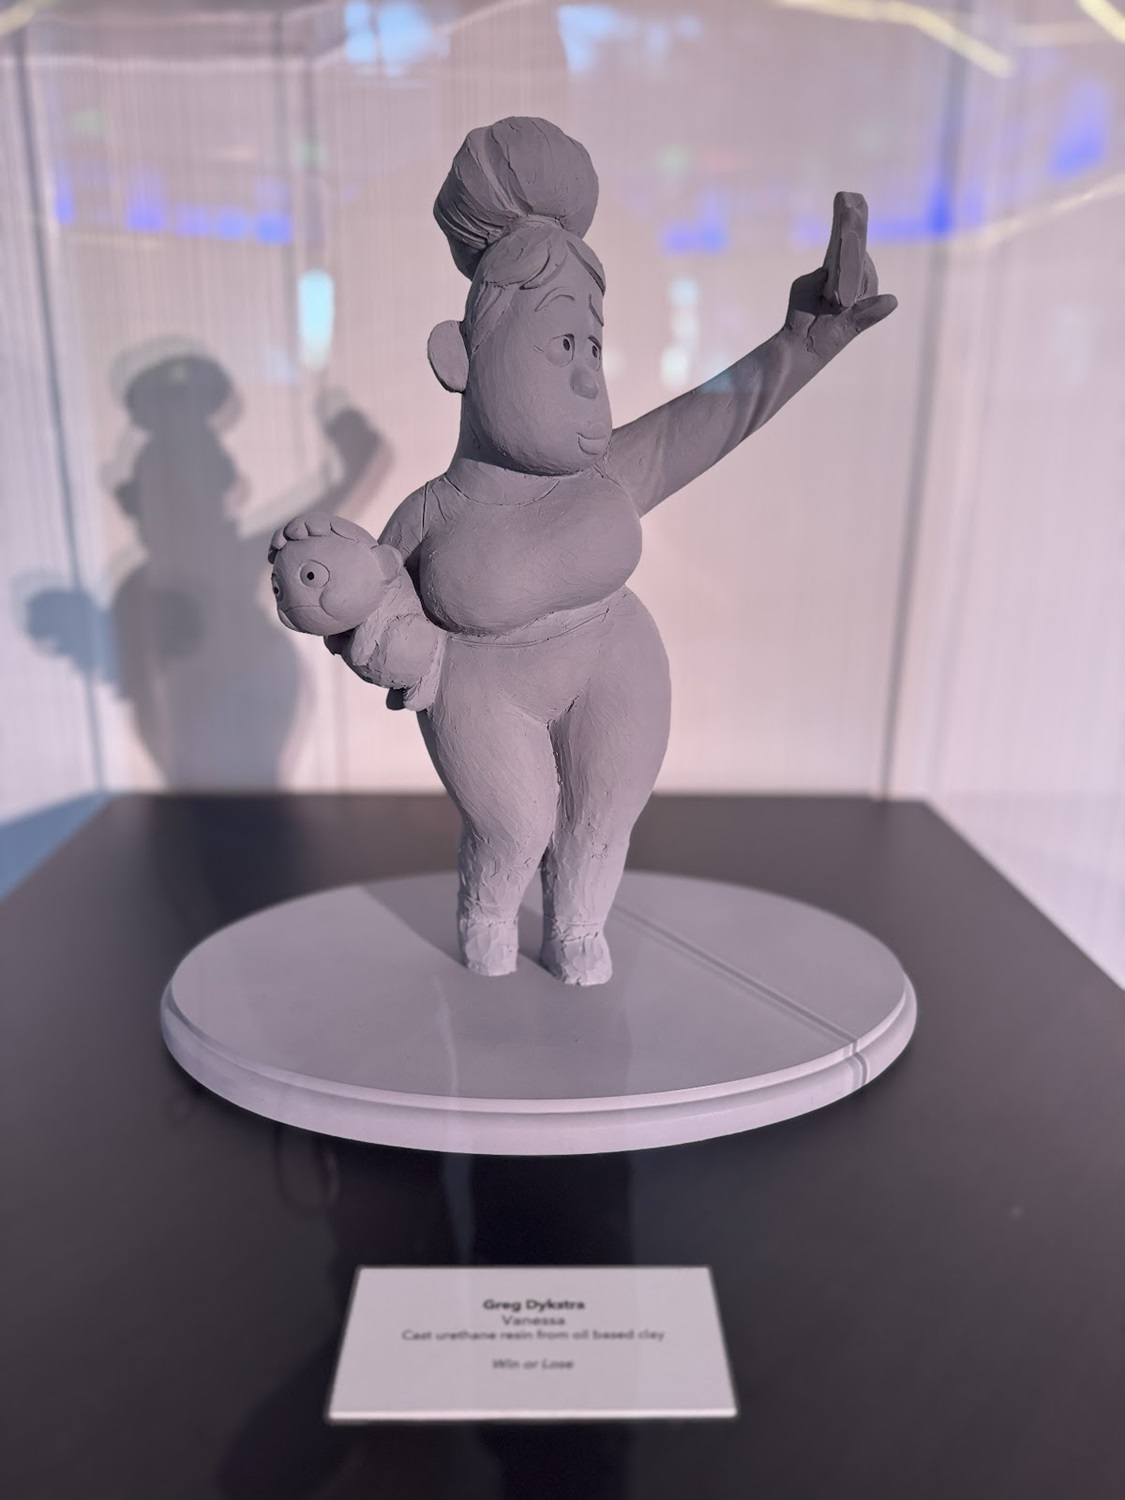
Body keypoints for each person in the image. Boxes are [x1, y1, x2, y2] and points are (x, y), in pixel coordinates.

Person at [364, 117, 895, 984]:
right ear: (457, 358)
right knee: (515, 825)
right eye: (559, 343)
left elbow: (717, 414)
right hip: (484, 692)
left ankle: (576, 924)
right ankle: (488, 910)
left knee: (600, 816)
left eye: (592, 345)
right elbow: (368, 596)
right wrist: (374, 626)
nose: (586, 373)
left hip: (613, 662)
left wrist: (802, 343)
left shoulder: (608, 473)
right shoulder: (435, 511)